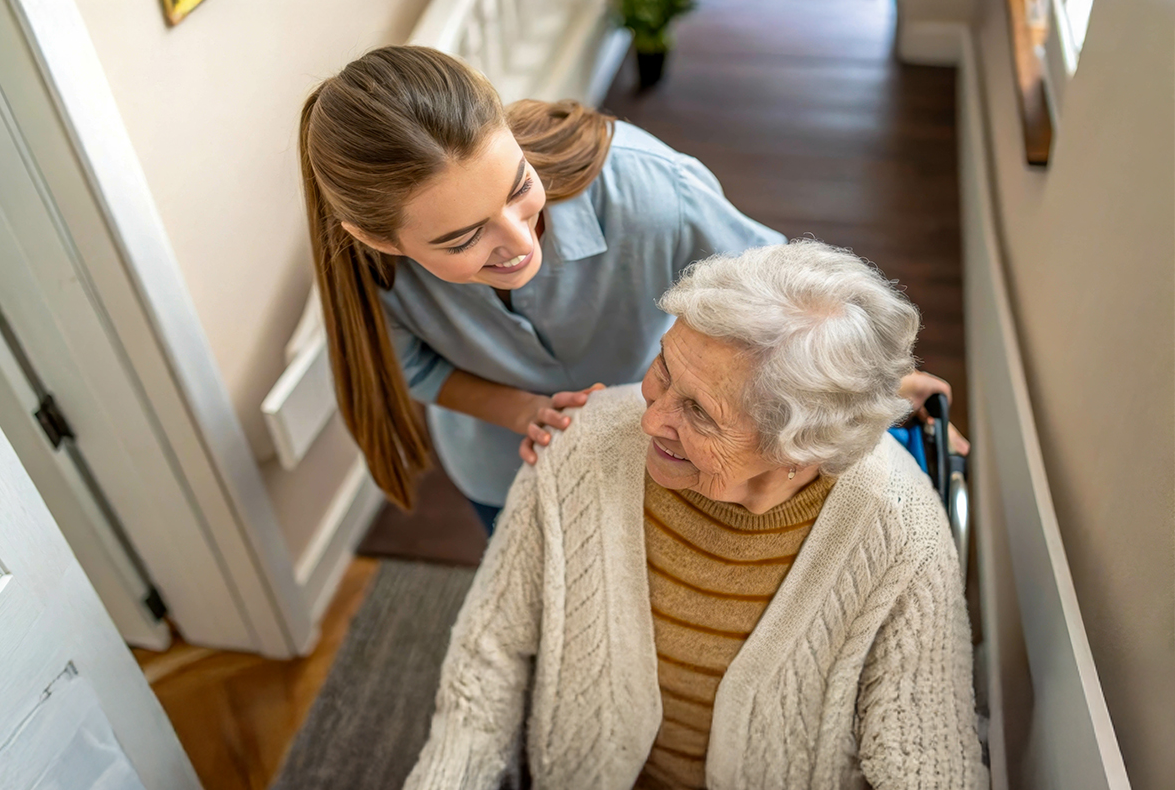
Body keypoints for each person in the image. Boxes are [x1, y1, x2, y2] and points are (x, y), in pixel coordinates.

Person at [299, 46, 960, 530]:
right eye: (462, 239)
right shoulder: (368, 271)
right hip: (505, 471)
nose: (520, 243)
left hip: (669, 456)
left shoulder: (650, 192)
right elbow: (412, 366)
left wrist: (882, 387)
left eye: (518, 187)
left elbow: (785, 294)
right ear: (380, 240)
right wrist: (522, 413)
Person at [404, 241, 987, 790]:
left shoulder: (902, 531)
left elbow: (925, 757)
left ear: (800, 447)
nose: (651, 418)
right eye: (664, 368)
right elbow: (486, 663)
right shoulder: (579, 446)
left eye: (700, 413)